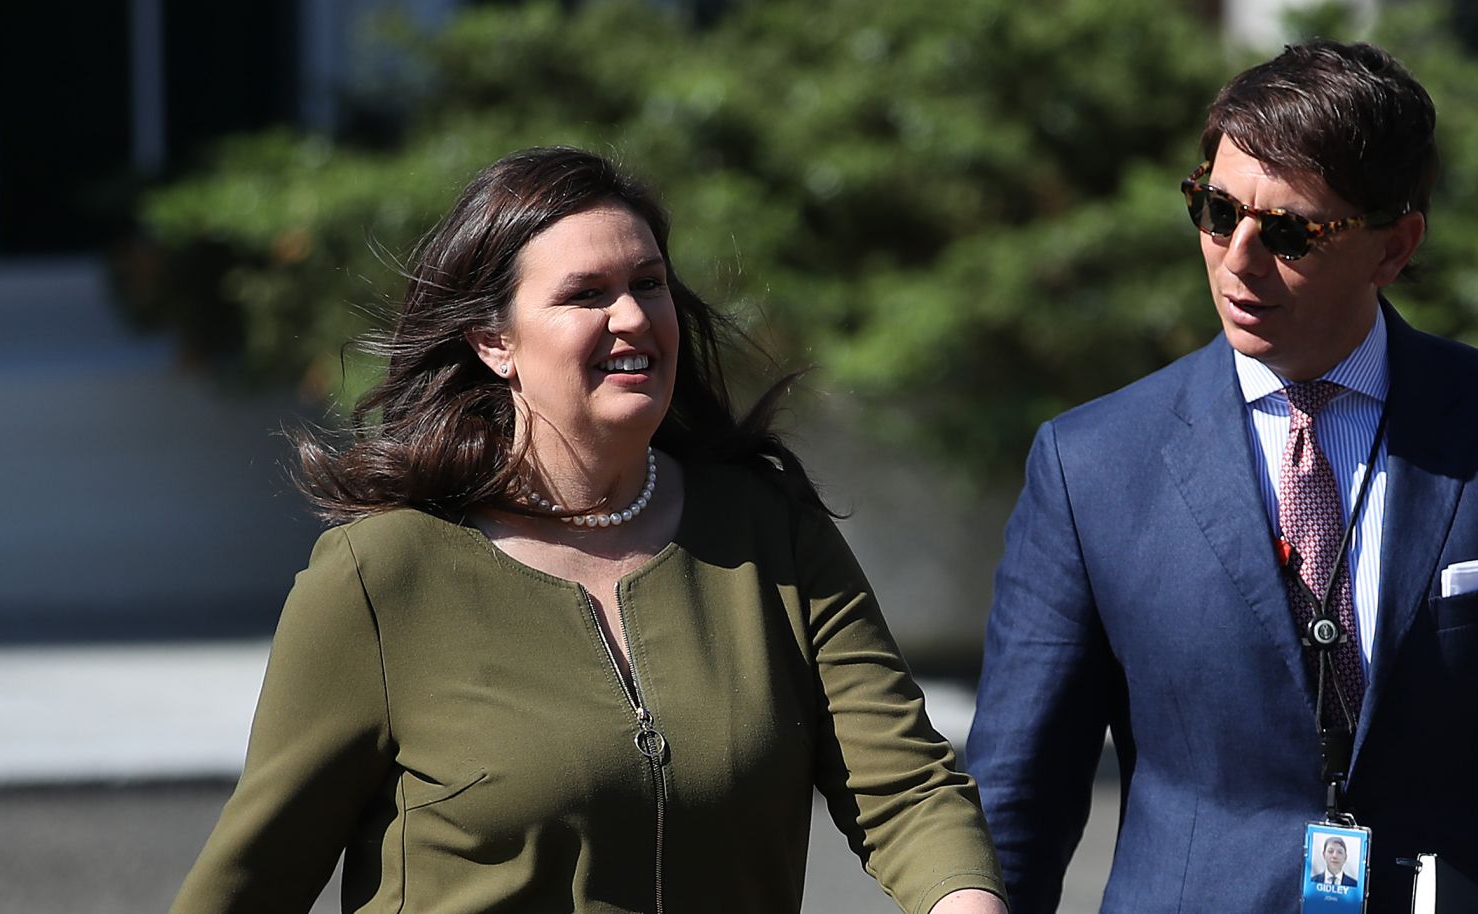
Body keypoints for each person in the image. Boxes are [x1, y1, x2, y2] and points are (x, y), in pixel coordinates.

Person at [967, 40, 1478, 914]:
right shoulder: (1089, 463)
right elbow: (1015, 798)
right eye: (1216, 211)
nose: (1237, 257)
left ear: (1394, 247)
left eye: (1289, 232)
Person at [172, 147, 1006, 914]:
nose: (634, 317)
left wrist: (965, 902)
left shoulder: (767, 528)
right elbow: (254, 878)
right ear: (494, 342)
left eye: (649, 284)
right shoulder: (382, 574)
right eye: (585, 295)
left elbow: (905, 788)